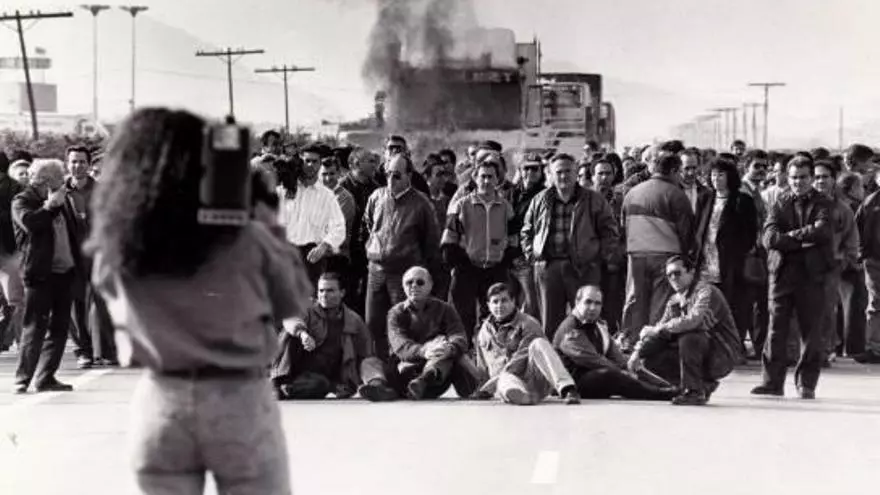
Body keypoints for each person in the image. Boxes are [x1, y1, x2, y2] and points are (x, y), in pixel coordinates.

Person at [86, 108, 312, 493]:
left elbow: (108, 292)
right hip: (239, 399)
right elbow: (291, 300)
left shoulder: (119, 248)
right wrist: (264, 219)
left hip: (162, 401)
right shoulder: (248, 239)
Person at [752, 156, 833, 399]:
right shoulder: (779, 201)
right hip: (782, 272)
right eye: (794, 178)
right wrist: (801, 241)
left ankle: (806, 384)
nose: (798, 182)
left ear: (811, 178)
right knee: (775, 329)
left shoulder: (824, 202)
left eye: (803, 177)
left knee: (811, 332)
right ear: (787, 178)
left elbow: (823, 231)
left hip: (812, 274)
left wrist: (787, 239)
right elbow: (769, 238)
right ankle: (771, 382)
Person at [521, 153, 621, 338]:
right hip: (549, 268)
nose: (563, 176)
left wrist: (598, 259)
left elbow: (610, 232)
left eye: (568, 171)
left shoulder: (594, 200)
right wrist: (533, 256)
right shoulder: (540, 200)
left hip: (584, 268)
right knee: (550, 323)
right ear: (550, 174)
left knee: (586, 319)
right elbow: (527, 231)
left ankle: (588, 353)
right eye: (558, 172)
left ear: (576, 173)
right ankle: (554, 354)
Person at [12, 159, 85, 393]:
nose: (62, 183)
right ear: (45, 181)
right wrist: (50, 207)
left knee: (60, 328)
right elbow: (31, 224)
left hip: (65, 272)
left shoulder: (62, 201)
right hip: (40, 273)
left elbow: (73, 233)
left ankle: (46, 377)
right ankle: (23, 378)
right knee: (35, 326)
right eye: (58, 180)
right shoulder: (22, 201)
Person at [628, 256, 741, 405]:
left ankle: (694, 391)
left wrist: (658, 329)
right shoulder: (674, 301)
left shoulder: (706, 291)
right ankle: (697, 386)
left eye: (677, 273)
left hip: (722, 354)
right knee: (650, 355)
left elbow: (694, 321)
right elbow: (660, 330)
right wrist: (637, 352)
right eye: (669, 275)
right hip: (700, 351)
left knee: (690, 337)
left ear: (691, 272)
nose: (673, 278)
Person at [272, 272, 397, 401]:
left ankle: (377, 388)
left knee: (367, 360)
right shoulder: (306, 306)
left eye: (330, 291)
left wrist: (372, 377)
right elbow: (291, 319)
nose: (324, 295)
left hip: (326, 377)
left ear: (342, 293)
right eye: (321, 291)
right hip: (296, 370)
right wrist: (302, 334)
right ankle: (278, 384)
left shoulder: (354, 320)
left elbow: (368, 354)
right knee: (289, 334)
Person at [362, 155, 440, 360]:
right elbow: (369, 225)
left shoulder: (422, 203)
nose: (390, 180)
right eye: (387, 174)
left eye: (396, 175)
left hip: (404, 274)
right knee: (373, 323)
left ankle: (405, 367)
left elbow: (431, 242)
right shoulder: (376, 196)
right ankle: (381, 367)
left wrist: (419, 269)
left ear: (409, 175)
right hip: (376, 270)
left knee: (403, 325)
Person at [620, 153, 695, 349]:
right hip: (666, 255)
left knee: (635, 298)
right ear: (673, 171)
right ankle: (652, 343)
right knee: (660, 302)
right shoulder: (676, 194)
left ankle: (630, 339)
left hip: (636, 254)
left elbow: (622, 226)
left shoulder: (632, 193)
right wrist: (687, 256)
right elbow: (686, 231)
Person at [554, 285, 678, 401]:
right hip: (574, 383)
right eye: (588, 302)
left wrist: (632, 367)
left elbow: (619, 358)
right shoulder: (570, 328)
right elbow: (592, 360)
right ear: (577, 302)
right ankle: (659, 394)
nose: (593, 307)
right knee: (611, 374)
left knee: (633, 363)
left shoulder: (599, 326)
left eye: (597, 303)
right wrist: (624, 373)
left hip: (596, 376)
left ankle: (670, 388)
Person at [442, 155, 518, 338]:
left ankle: (490, 350)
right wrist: (458, 263)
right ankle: (463, 350)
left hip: (495, 269)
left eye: (491, 177)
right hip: (466, 269)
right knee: (462, 318)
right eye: (483, 176)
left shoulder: (506, 207)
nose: (486, 181)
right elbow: (449, 241)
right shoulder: (461, 205)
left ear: (497, 180)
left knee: (494, 317)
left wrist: (504, 261)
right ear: (475, 178)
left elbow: (514, 240)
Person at [472, 283, 580, 405]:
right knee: (505, 380)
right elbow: (482, 365)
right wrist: (483, 388)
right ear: (488, 305)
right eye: (495, 302)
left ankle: (568, 389)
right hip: (507, 382)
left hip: (533, 378)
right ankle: (522, 397)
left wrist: (494, 381)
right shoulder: (484, 331)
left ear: (513, 301)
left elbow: (521, 358)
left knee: (539, 343)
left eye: (504, 300)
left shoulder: (529, 323)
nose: (499, 305)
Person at [386, 266, 481, 400]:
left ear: (430, 286)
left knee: (445, 347)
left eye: (420, 282)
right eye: (409, 282)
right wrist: (424, 351)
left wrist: (449, 349)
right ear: (403, 286)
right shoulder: (395, 313)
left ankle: (425, 379)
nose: (414, 286)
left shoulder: (445, 309)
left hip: (438, 376)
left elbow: (459, 336)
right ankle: (418, 382)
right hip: (408, 373)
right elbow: (400, 345)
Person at [694, 158, 759, 355]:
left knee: (732, 306)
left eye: (720, 175)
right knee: (706, 305)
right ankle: (709, 348)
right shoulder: (705, 198)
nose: (716, 179)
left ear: (730, 177)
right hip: (706, 261)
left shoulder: (742, 200)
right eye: (713, 175)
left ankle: (732, 348)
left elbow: (750, 233)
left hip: (731, 263)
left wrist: (738, 251)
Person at [278, 143, 346, 290]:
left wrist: (324, 246)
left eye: (315, 161)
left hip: (312, 258)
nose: (310, 165)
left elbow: (339, 227)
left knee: (310, 300)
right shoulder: (284, 191)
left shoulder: (327, 195)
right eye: (307, 160)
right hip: (284, 254)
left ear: (320, 164)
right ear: (300, 162)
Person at [0, 151, 24, 352]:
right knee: (15, 300)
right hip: (11, 250)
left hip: (8, 250)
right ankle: (21, 340)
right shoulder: (17, 188)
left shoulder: (15, 188)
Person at [854, 181, 880, 363]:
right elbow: (857, 228)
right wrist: (862, 254)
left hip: (872, 258)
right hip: (874, 260)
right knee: (876, 303)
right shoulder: (870, 202)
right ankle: (875, 348)